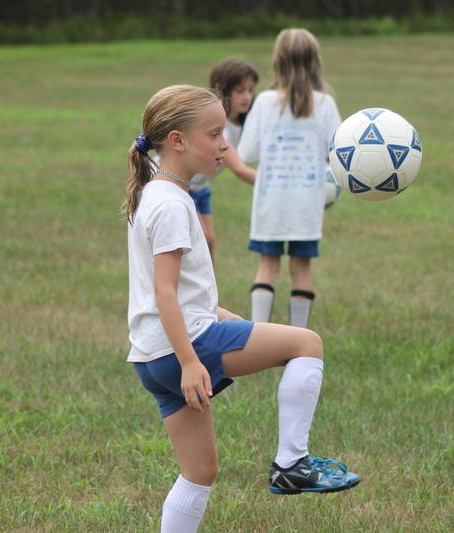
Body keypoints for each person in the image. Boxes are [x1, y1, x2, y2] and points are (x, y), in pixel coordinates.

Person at [125, 85, 360, 532]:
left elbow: (179, 294)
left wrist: (223, 317)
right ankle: (292, 464)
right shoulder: (172, 203)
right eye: (214, 134)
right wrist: (192, 362)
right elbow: (165, 293)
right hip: (182, 350)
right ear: (177, 141)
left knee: (200, 473)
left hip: (151, 356)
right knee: (306, 343)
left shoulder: (154, 192)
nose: (225, 145)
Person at [237, 28, 341, 328]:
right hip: (307, 205)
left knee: (267, 268)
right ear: (315, 61)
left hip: (271, 203)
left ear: (277, 61)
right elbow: (338, 155)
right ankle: (297, 343)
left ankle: (259, 338)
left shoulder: (265, 102)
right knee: (301, 270)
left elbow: (246, 152)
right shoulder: (325, 104)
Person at [189, 58, 258, 262]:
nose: (247, 97)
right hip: (179, 185)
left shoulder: (242, 122)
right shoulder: (220, 129)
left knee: (209, 242)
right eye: (240, 90)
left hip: (200, 188)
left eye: (250, 90)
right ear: (220, 89)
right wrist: (279, 187)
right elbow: (239, 170)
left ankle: (207, 292)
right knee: (203, 240)